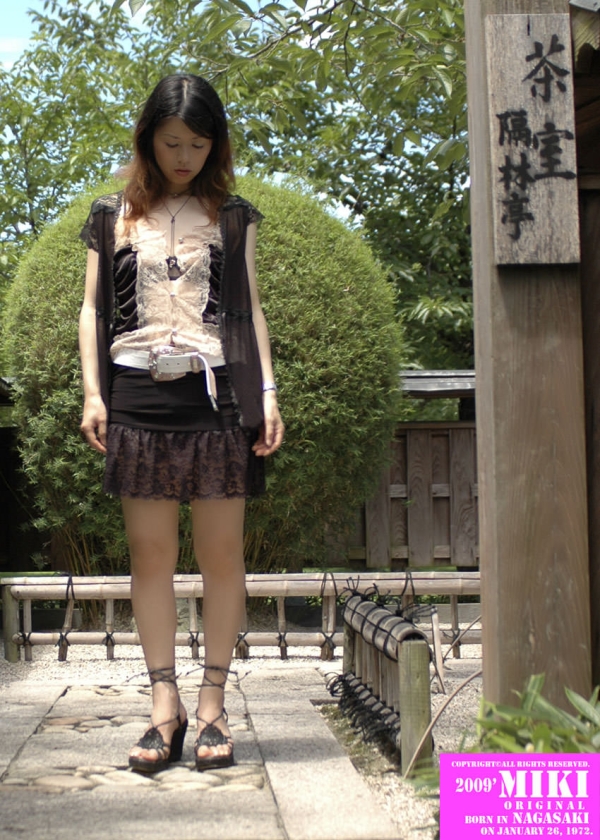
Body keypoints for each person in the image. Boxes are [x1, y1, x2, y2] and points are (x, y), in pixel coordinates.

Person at [78, 73, 284, 773]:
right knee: (150, 553)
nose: (184, 156)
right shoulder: (110, 216)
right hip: (137, 393)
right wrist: (94, 394)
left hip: (218, 396)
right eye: (171, 143)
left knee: (222, 553)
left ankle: (213, 705)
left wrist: (268, 393)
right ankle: (163, 707)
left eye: (198, 144)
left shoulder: (233, 216)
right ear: (147, 140)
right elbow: (92, 310)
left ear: (215, 145)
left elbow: (249, 309)